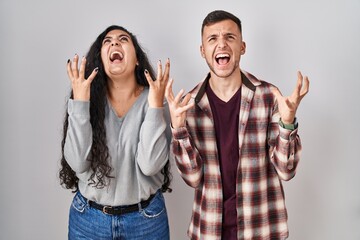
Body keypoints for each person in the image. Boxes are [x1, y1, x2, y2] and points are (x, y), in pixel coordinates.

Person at [165, 10, 310, 240]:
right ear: (203, 51)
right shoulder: (189, 106)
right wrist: (179, 130)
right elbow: (193, 179)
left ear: (242, 47)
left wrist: (288, 123)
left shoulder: (269, 96)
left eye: (230, 37)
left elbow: (286, 171)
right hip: (209, 230)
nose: (221, 44)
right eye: (212, 38)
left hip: (261, 228)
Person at [59, 25, 172, 239]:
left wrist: (156, 105)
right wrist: (80, 102)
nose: (114, 43)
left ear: (137, 59)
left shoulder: (154, 99)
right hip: (88, 221)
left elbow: (150, 165)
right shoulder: (88, 99)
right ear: (101, 60)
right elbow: (77, 163)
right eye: (107, 41)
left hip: (146, 221)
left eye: (123, 39)